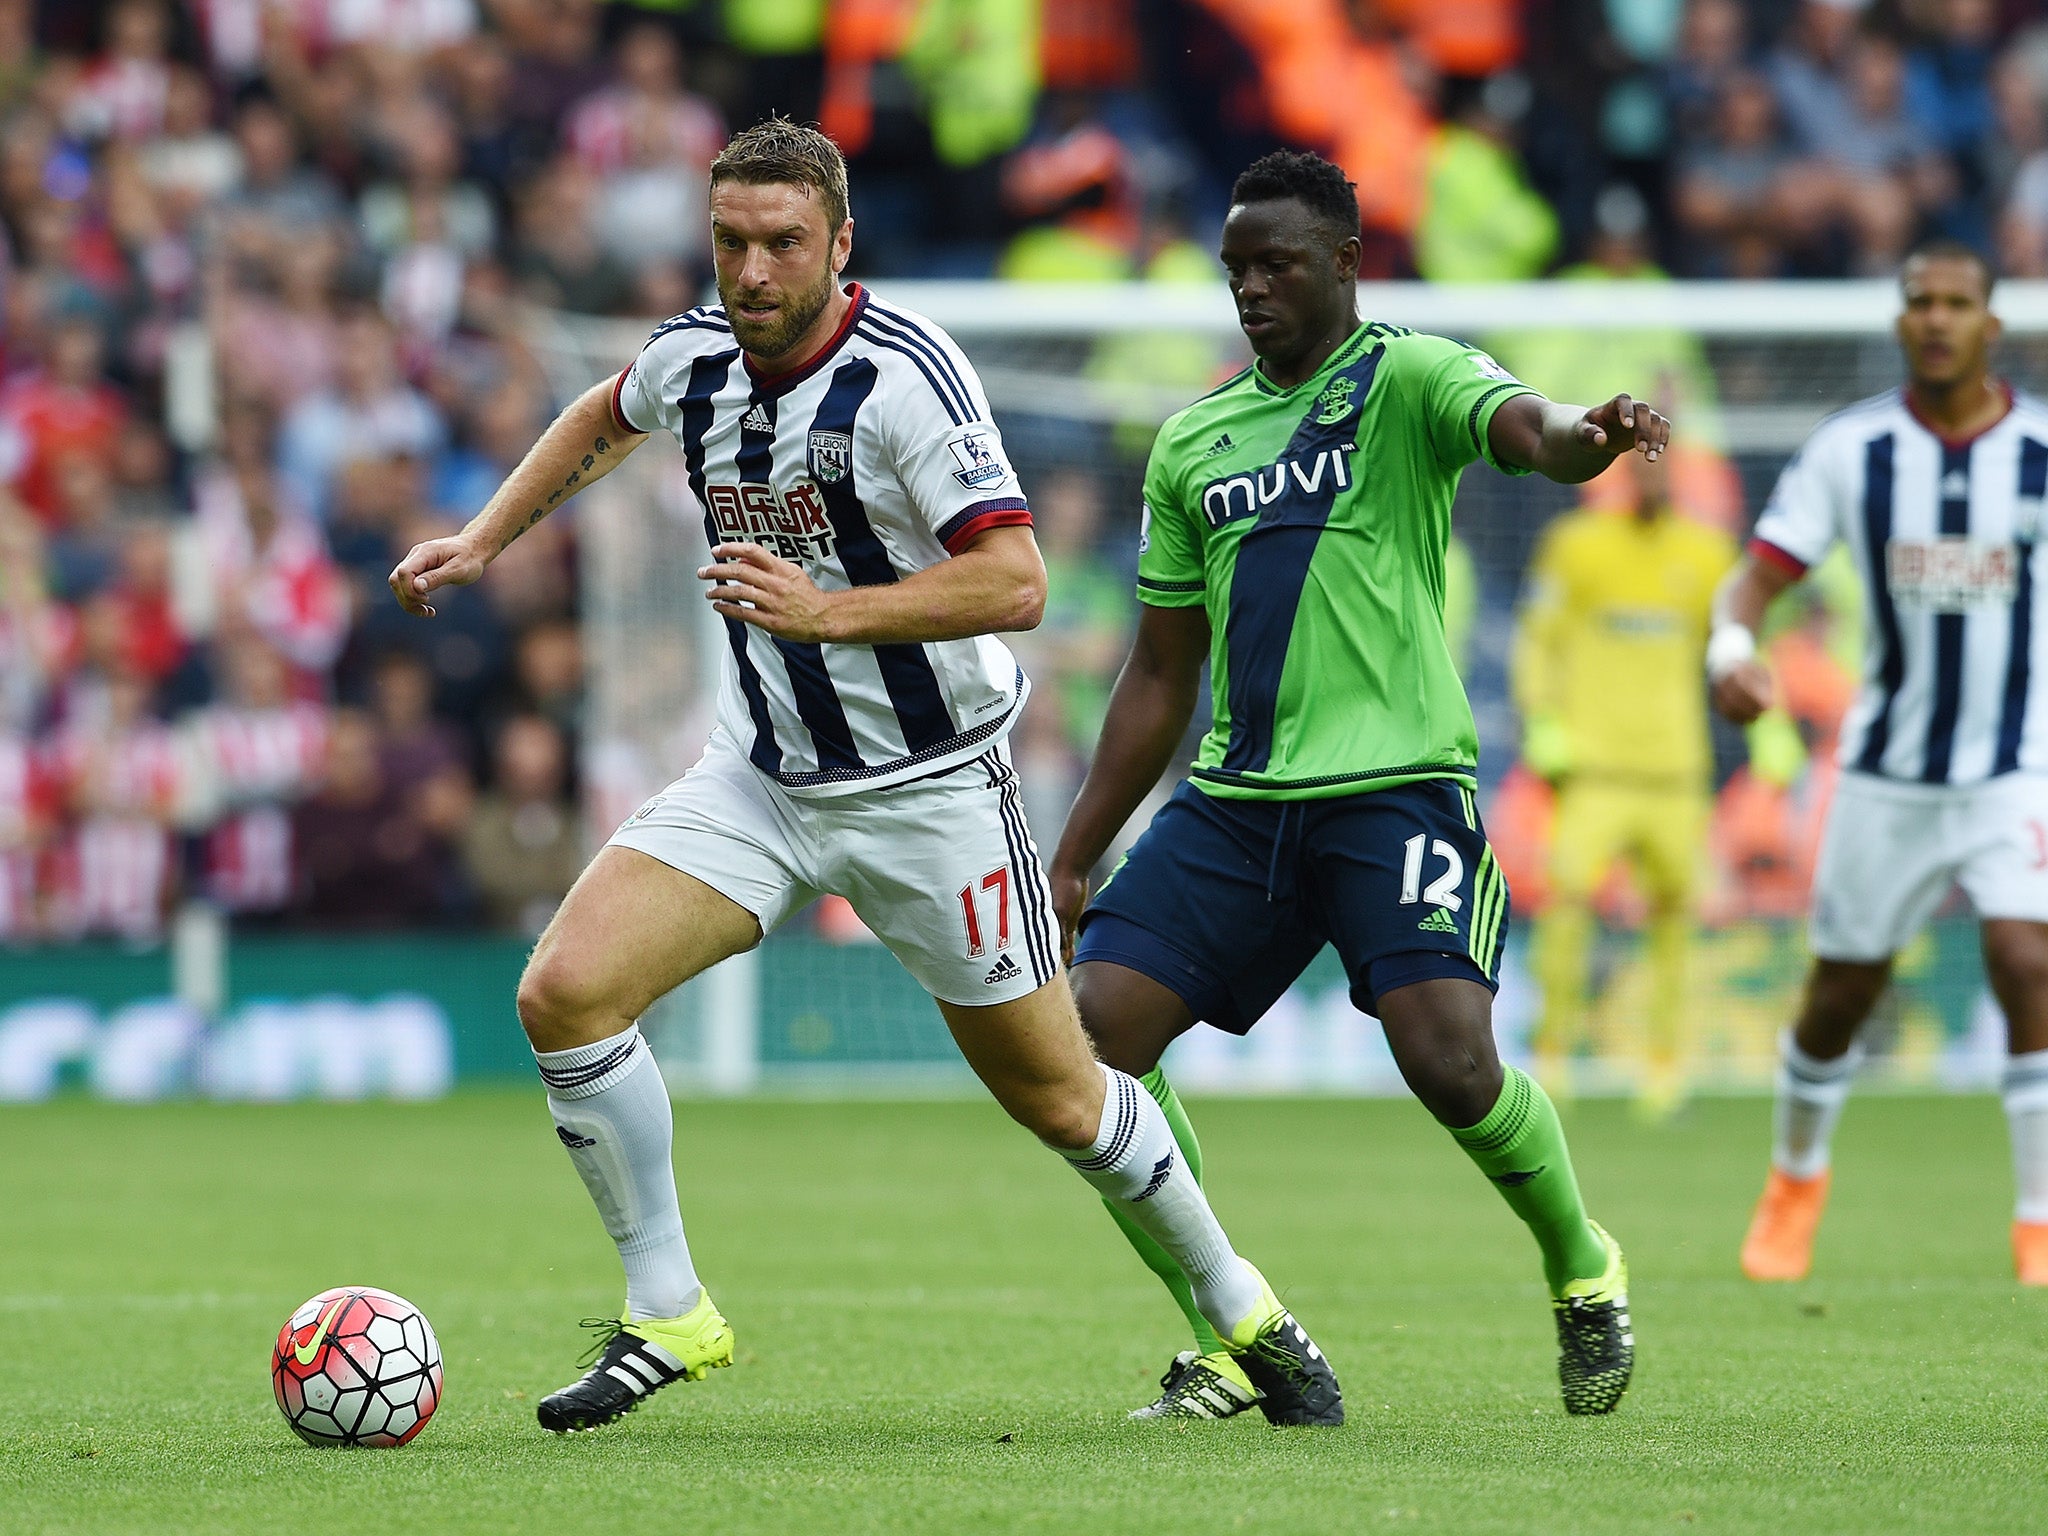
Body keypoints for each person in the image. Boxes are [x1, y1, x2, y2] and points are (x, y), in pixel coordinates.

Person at [387, 120, 1341, 1434]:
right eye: (730, 242)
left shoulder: (906, 381)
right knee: (564, 994)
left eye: (782, 243)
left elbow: (1017, 581)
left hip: (931, 795)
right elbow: (604, 415)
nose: (753, 270)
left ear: (841, 243)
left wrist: (829, 612)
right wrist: (487, 537)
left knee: (1063, 1098)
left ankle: (1249, 1315)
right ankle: (671, 1310)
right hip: (764, 780)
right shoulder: (695, 359)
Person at [1047, 149, 1668, 1421]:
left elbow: (1528, 431)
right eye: (1233, 269)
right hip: (1237, 801)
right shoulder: (1192, 442)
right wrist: (1074, 850)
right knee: (1087, 1040)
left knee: (1448, 1066)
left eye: (1276, 264)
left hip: (1393, 791)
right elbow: (1160, 671)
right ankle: (1231, 1333)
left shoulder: (1406, 375)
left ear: (1343, 261)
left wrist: (1585, 439)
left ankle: (1579, 1259)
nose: (1250, 289)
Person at [1711, 240, 2048, 1286]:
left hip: (2009, 766)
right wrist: (1730, 651)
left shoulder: (2038, 452)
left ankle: (2037, 1219)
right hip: (1883, 774)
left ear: (1990, 326)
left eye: (1956, 303)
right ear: (1897, 321)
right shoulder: (1850, 451)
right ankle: (1793, 1177)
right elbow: (1752, 583)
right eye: (1918, 302)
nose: (1936, 319)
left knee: (2026, 959)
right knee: (1838, 997)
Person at [1513, 448, 1736, 1117]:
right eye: (1638, 465)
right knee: (1568, 903)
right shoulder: (1575, 546)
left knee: (1676, 917)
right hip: (1595, 767)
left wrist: (1769, 722)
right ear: (1619, 473)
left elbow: (1733, 645)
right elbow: (1537, 638)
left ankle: (1665, 1064)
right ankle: (1554, 1053)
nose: (1650, 477)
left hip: (1674, 771)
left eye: (1662, 466)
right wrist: (1544, 723)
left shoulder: (1707, 555)